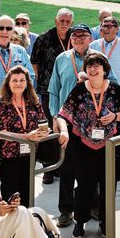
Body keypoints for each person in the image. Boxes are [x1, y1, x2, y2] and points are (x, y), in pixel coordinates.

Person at [55, 51, 120, 238]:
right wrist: (64, 131)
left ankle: (105, 221)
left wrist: (115, 117)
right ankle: (80, 222)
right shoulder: (80, 89)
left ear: (105, 69)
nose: (93, 69)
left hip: (109, 145)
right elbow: (63, 114)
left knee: (107, 185)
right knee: (84, 186)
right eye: (89, 66)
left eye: (97, 66)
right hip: (83, 145)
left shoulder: (114, 88)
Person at [47, 22, 94, 226]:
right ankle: (66, 210)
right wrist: (55, 118)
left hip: (92, 123)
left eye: (83, 35)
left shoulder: (98, 59)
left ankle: (93, 206)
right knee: (66, 168)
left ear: (90, 38)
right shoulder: (62, 59)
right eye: (75, 36)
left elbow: (113, 85)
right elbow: (54, 91)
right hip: (66, 121)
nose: (78, 39)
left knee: (92, 168)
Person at [0, 65, 49, 206]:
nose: (18, 84)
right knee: (10, 195)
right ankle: (10, 226)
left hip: (30, 153)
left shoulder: (33, 101)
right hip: (9, 156)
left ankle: (25, 224)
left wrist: (43, 131)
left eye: (22, 80)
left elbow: (43, 122)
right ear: (8, 83)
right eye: (15, 80)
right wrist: (28, 137)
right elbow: (1, 133)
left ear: (27, 83)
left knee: (27, 194)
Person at [30, 8, 74, 119]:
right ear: (56, 21)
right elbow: (34, 60)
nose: (64, 24)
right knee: (51, 118)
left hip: (70, 85)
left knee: (69, 118)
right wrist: (39, 77)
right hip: (48, 87)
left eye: (68, 22)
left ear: (72, 23)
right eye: (61, 21)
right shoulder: (44, 38)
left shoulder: (75, 37)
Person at [90, 16, 120, 91]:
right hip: (98, 87)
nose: (105, 29)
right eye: (103, 26)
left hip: (119, 88)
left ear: (117, 29)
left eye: (109, 26)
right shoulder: (94, 45)